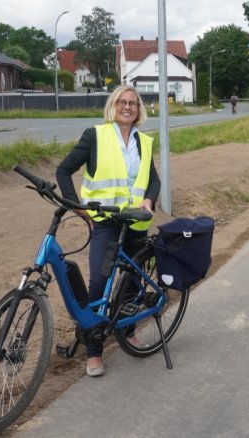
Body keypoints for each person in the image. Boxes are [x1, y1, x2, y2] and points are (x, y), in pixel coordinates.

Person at [56, 85, 161, 378]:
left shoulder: (144, 141)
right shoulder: (96, 136)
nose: (127, 107)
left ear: (139, 110)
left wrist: (150, 199)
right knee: (99, 282)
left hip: (136, 223)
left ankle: (126, 330)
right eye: (122, 102)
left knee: (130, 282)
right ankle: (93, 351)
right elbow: (63, 170)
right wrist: (76, 207)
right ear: (112, 106)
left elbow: (153, 180)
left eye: (133, 103)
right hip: (105, 221)